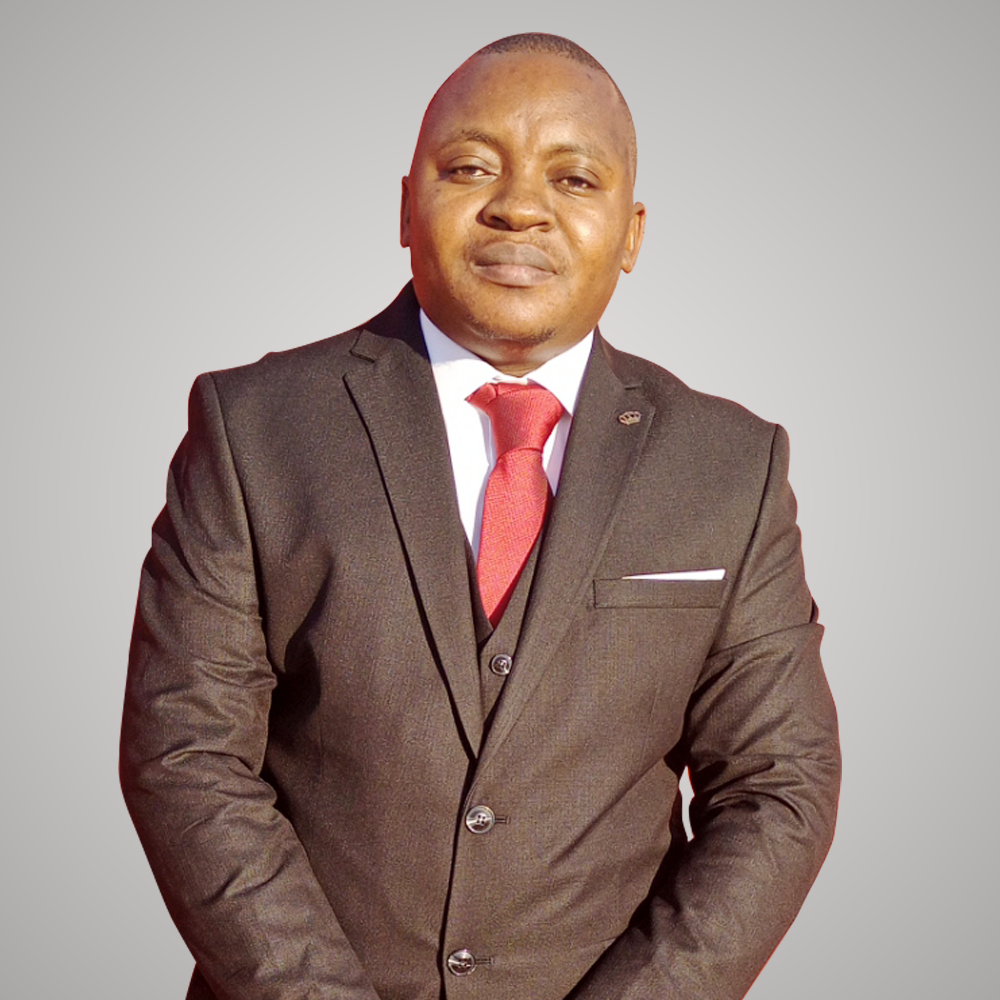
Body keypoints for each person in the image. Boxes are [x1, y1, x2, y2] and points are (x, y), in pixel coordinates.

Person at [121, 32, 840, 1000]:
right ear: (405, 206)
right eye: (469, 168)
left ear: (631, 234)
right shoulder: (254, 428)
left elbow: (777, 786)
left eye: (573, 179)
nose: (519, 207)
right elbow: (186, 753)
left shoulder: (728, 467)